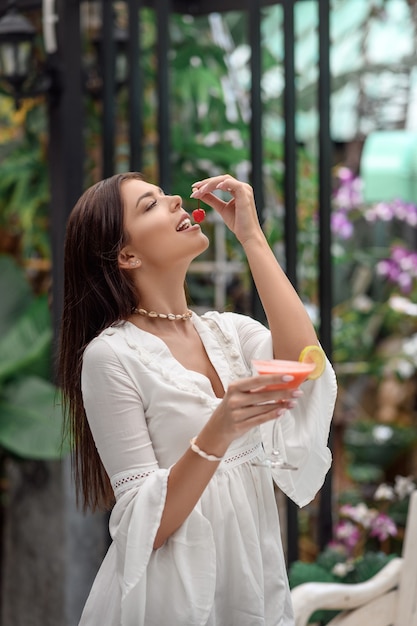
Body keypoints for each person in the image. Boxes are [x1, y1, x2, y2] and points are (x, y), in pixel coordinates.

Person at [58, 172, 337, 626]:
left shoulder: (228, 333)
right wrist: (219, 430)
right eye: (149, 205)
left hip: (253, 583)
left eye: (162, 194)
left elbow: (304, 364)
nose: (173, 200)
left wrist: (250, 236)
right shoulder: (111, 356)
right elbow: (146, 527)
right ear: (126, 255)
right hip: (173, 597)